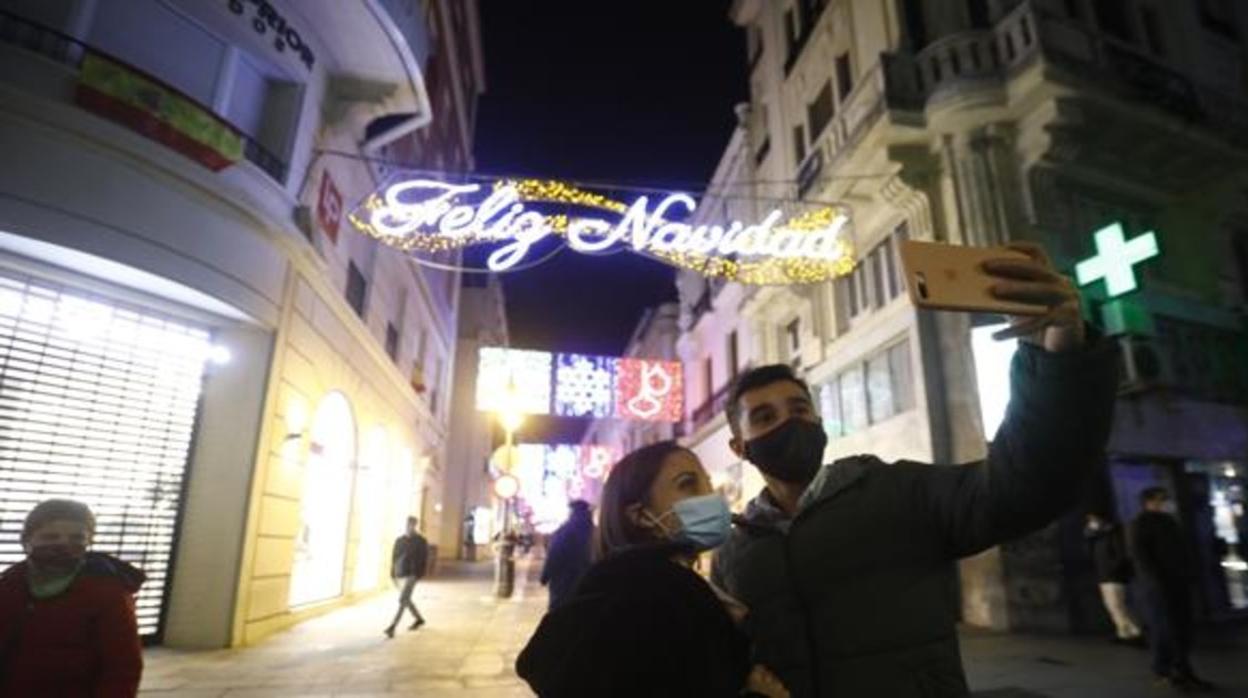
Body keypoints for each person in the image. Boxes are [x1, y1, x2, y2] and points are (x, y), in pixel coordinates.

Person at [711, 242, 1121, 697]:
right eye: (765, 418)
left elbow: (1024, 486)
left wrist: (1059, 352)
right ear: (739, 446)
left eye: (799, 408)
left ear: (819, 423)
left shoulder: (899, 491)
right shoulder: (733, 553)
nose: (788, 422)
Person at [516, 442, 789, 698]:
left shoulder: (623, 582)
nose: (710, 496)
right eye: (688, 485)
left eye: (707, 483)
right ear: (640, 515)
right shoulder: (666, 592)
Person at [0, 499, 145, 697]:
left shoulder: (107, 590)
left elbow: (122, 664)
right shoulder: (10, 583)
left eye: (76, 538)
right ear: (27, 541)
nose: (63, 544)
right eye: (50, 536)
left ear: (89, 542)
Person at [1130, 487, 1215, 691]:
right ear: (1148, 501)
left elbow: (1181, 550)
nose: (1165, 502)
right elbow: (1141, 556)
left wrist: (1188, 574)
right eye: (1160, 499)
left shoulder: (1168, 521)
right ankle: (1168, 670)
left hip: (1178, 582)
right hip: (1160, 586)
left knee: (1182, 628)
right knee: (1166, 628)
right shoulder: (1141, 524)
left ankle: (1181, 669)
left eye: (1165, 499)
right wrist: (1155, 581)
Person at [1084, 512, 1143, 644]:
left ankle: (1135, 632)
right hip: (1104, 574)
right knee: (1112, 606)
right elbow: (1088, 539)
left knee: (1116, 605)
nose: (1091, 522)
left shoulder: (1114, 533)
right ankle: (1123, 633)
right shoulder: (1097, 536)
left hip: (1113, 575)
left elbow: (1120, 555)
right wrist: (1091, 530)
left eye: (1094, 519)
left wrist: (1113, 568)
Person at [540, 499, 595, 610]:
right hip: (589, 584)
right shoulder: (595, 532)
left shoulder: (564, 532)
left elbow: (554, 554)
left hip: (564, 583)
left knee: (561, 614)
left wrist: (545, 576)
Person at [385, 516, 429, 638]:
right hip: (401, 573)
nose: (410, 527)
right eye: (409, 524)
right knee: (406, 599)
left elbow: (424, 559)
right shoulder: (400, 540)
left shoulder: (421, 541)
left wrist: (419, 574)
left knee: (403, 599)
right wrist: (392, 573)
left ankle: (392, 626)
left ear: (416, 525)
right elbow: (394, 558)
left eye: (413, 524)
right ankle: (419, 619)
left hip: (413, 574)